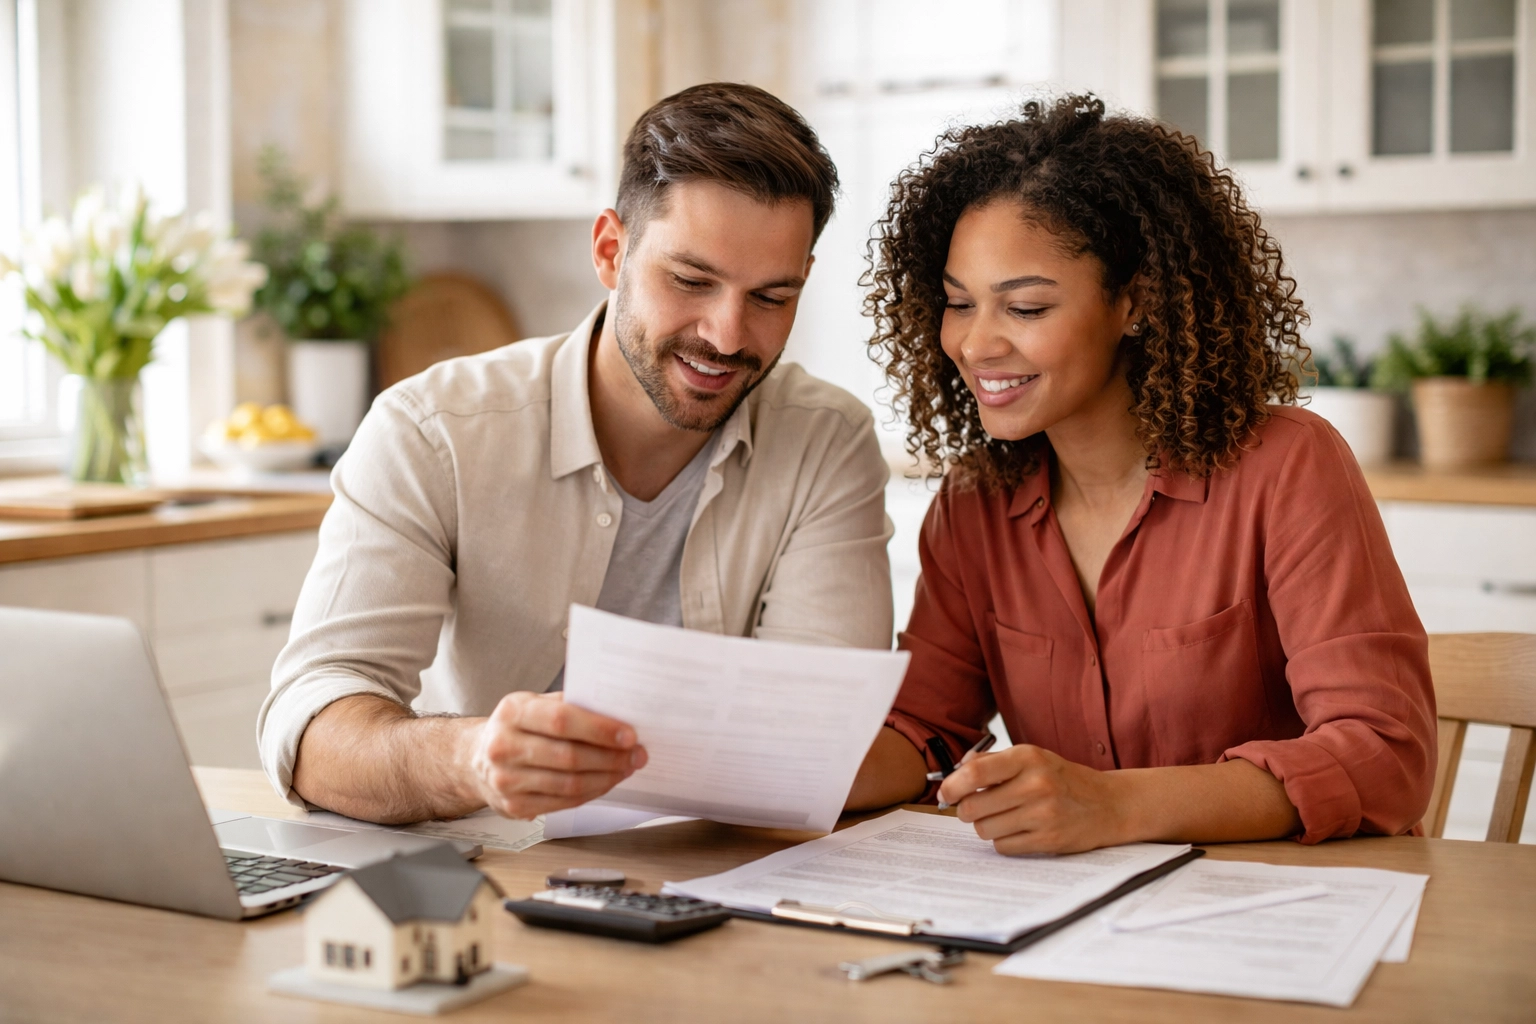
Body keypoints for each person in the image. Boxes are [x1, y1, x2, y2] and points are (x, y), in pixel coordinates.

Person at [260, 83, 893, 824]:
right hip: (483, 877)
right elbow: (310, 731)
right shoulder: (430, 431)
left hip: (717, 877)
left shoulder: (828, 443)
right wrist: (471, 760)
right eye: (691, 281)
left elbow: (819, 743)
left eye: (771, 297)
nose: (726, 335)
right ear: (609, 250)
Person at [845, 95, 1436, 854]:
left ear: (1137, 302)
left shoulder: (1286, 466)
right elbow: (919, 729)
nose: (975, 343)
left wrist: (1115, 807)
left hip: (1289, 910)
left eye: (1024, 308)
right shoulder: (975, 505)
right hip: (1077, 920)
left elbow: (1386, 752)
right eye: (958, 304)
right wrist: (745, 771)